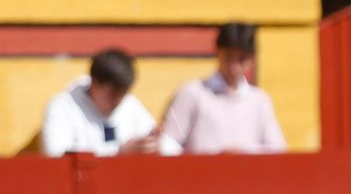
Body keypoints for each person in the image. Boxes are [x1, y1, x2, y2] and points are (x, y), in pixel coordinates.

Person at [161, 22, 288, 154]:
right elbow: (168, 144)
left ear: (252, 60)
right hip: (201, 174)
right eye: (229, 56)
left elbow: (277, 150)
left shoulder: (260, 101)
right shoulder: (192, 94)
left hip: (248, 174)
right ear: (217, 52)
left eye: (241, 58)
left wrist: (244, 154)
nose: (234, 65)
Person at [39, 48, 170, 157]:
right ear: (94, 84)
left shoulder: (129, 103)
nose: (118, 101)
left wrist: (155, 145)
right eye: (112, 94)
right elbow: (56, 157)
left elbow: (169, 147)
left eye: (123, 94)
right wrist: (119, 151)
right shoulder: (62, 108)